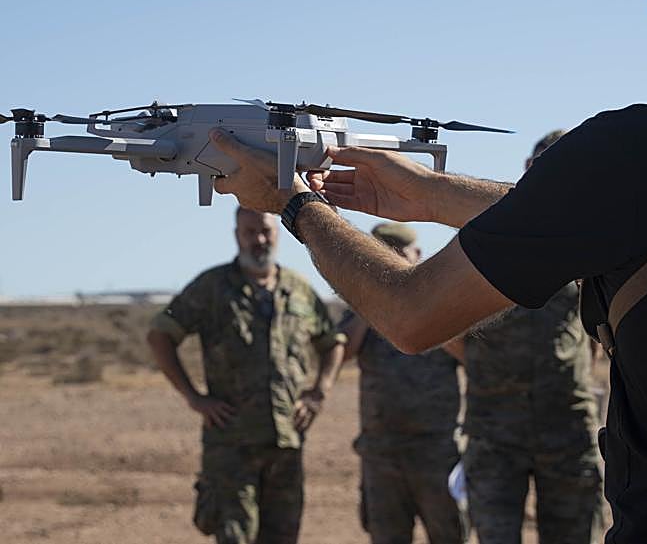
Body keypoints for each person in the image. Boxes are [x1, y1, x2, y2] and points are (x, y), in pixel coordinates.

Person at [206, 0, 647, 543]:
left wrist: (294, 203)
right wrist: (431, 194)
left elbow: (410, 314)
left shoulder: (642, 149)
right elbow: (618, 214)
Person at [146, 207, 345, 544]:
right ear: (237, 234)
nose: (259, 240)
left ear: (279, 233)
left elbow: (332, 342)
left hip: (286, 443)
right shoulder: (211, 287)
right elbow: (160, 335)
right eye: (250, 232)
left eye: (265, 231)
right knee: (235, 536)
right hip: (231, 445)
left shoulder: (298, 290)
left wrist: (318, 391)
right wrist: (194, 398)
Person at [452, 131, 604, 544]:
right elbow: (447, 318)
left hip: (567, 427)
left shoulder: (592, 241)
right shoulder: (486, 235)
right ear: (526, 173)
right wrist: (482, 365)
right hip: (494, 431)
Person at [339, 222, 466, 544]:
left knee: (449, 534)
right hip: (382, 454)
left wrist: (424, 312)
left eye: (397, 256)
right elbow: (342, 354)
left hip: (436, 451)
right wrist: (373, 303)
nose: (388, 265)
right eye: (380, 257)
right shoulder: (360, 309)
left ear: (418, 256)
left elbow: (470, 356)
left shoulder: (443, 304)